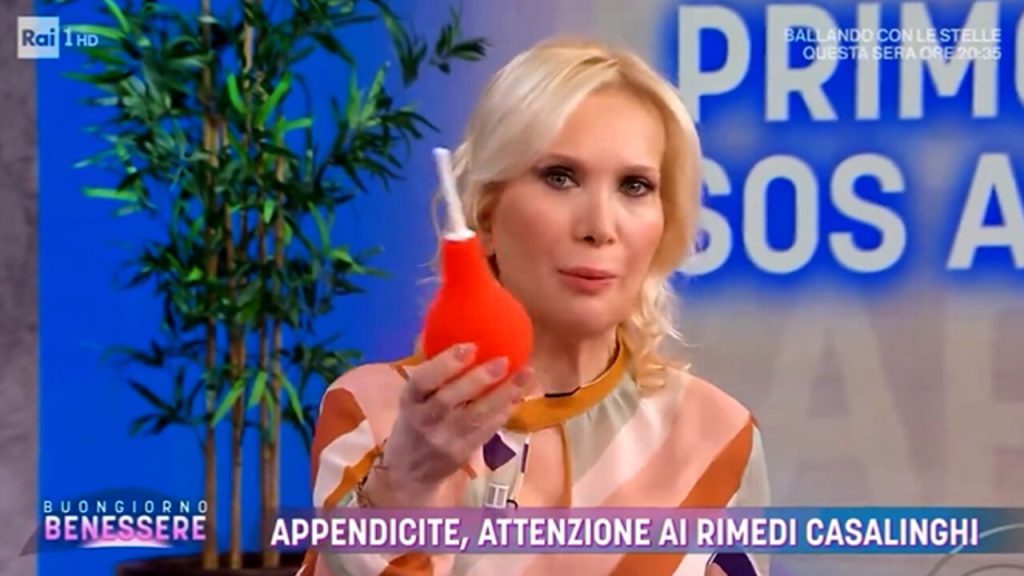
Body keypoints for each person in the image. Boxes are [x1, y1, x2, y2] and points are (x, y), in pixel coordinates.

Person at [298, 37, 770, 576]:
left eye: (635, 186)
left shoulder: (718, 437)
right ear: (487, 216)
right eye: (560, 177)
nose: (600, 226)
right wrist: (403, 485)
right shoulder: (374, 411)